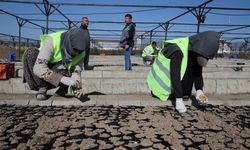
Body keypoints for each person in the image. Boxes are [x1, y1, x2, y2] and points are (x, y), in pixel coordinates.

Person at [147, 31, 219, 113]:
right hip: (160, 86)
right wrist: (178, 99)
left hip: (174, 85)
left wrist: (199, 91)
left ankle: (182, 95)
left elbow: (198, 72)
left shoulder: (195, 50)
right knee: (183, 72)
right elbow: (175, 74)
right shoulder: (177, 50)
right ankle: (177, 96)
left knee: (191, 67)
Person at [23, 26, 90, 100]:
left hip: (59, 68)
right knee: (30, 53)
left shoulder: (82, 52)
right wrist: (63, 79)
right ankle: (42, 87)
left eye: (78, 51)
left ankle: (62, 88)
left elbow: (76, 71)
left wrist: (76, 85)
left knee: (66, 69)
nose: (76, 53)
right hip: (44, 67)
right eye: (74, 49)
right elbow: (38, 68)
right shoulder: (53, 40)